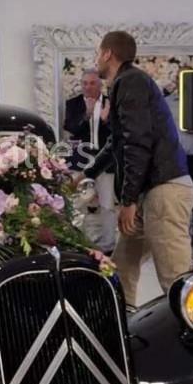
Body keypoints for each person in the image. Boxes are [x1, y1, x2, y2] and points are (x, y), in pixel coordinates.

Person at [84, 31, 193, 308]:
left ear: (108, 53)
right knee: (123, 264)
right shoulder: (126, 81)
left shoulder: (130, 80)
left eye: (99, 52)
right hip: (152, 190)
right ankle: (123, 324)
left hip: (163, 191)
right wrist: (86, 174)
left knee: (175, 277)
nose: (97, 59)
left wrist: (129, 200)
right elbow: (119, 141)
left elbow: (137, 143)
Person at [63, 69, 114, 250]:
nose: (88, 87)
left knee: (107, 203)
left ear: (100, 85)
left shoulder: (111, 103)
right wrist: (87, 115)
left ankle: (108, 244)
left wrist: (106, 120)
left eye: (92, 83)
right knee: (77, 202)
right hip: (81, 158)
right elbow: (71, 129)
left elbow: (119, 132)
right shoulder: (73, 104)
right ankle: (78, 242)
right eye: (85, 83)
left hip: (106, 160)